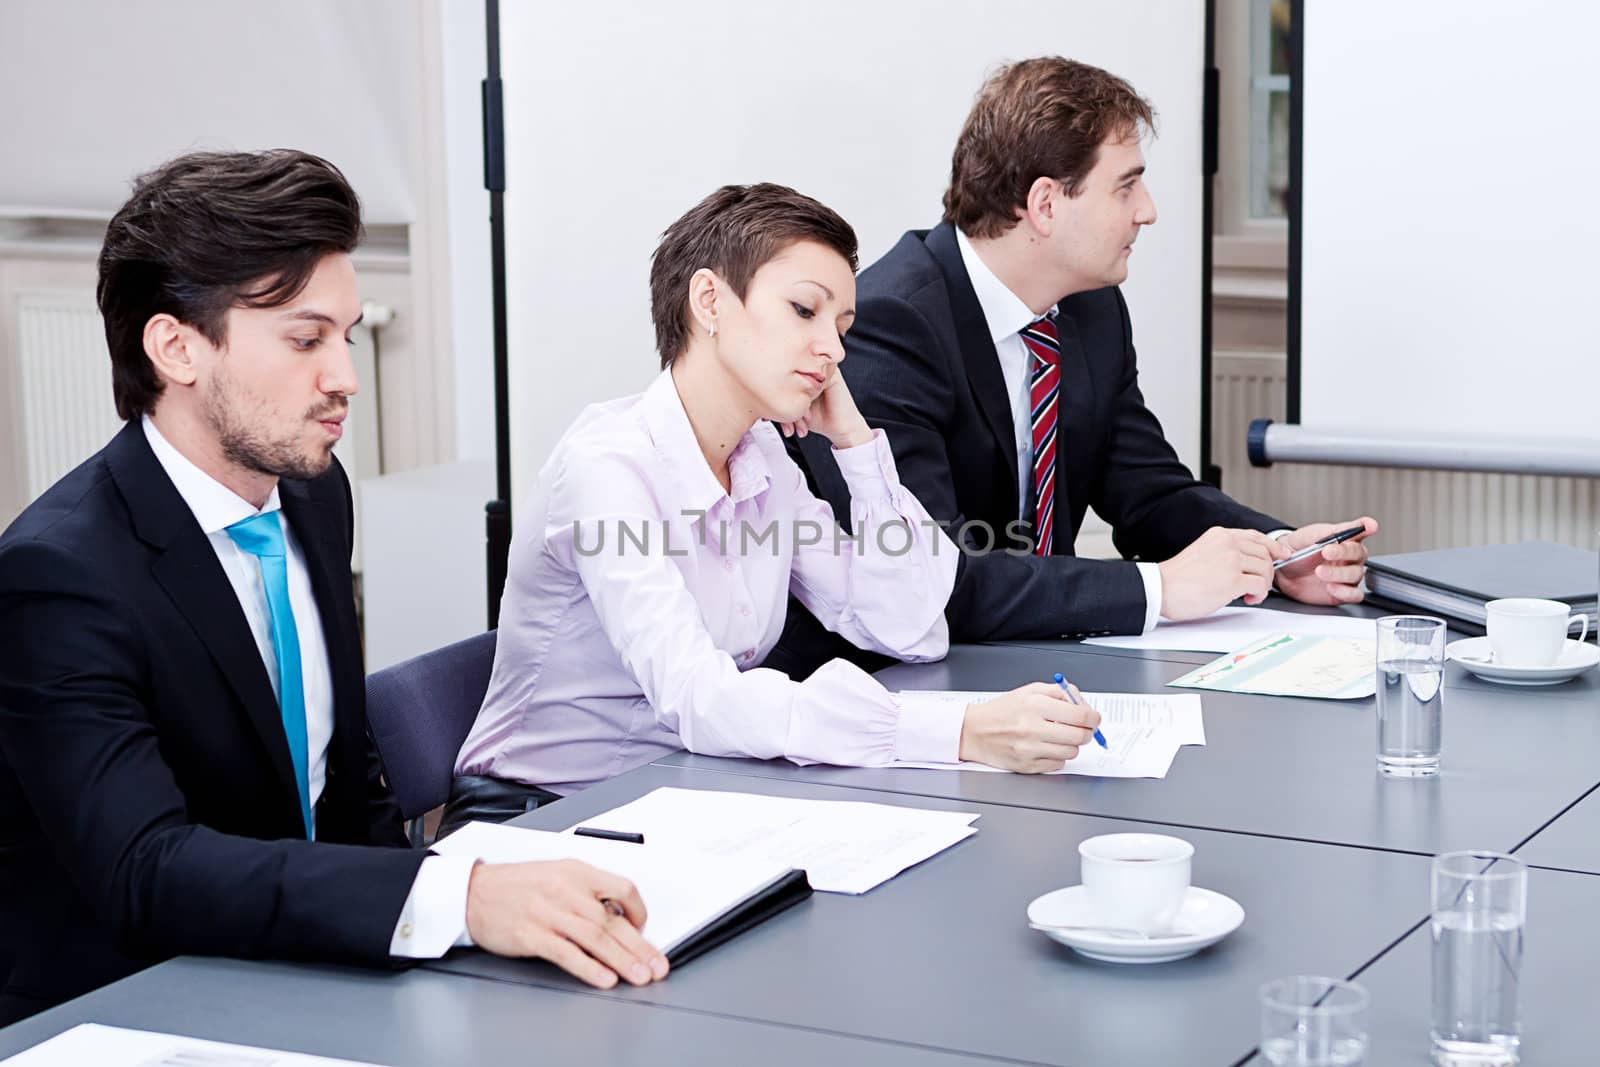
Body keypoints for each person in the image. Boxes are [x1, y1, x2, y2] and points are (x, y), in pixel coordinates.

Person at [0, 150, 667, 1024]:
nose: (344, 376)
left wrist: (440, 932)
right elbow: (146, 868)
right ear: (176, 348)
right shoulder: (60, 576)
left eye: (346, 336)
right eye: (306, 339)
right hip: (142, 1001)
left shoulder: (313, 491)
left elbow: (338, 781)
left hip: (322, 962)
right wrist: (451, 896)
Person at [446, 183, 1101, 831]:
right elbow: (700, 700)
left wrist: (856, 443)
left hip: (683, 794)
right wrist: (959, 731)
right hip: (538, 817)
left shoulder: (761, 458)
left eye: (843, 328)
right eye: (804, 311)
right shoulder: (606, 469)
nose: (834, 350)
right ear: (710, 301)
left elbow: (909, 626)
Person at [778, 57, 1376, 668]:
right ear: (1044, 204)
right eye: (1126, 185)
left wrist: (1274, 555)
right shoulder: (888, 324)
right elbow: (934, 577)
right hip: (892, 683)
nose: (1148, 210)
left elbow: (1148, 492)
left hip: (1045, 668)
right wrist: (1161, 589)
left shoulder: (1093, 310)